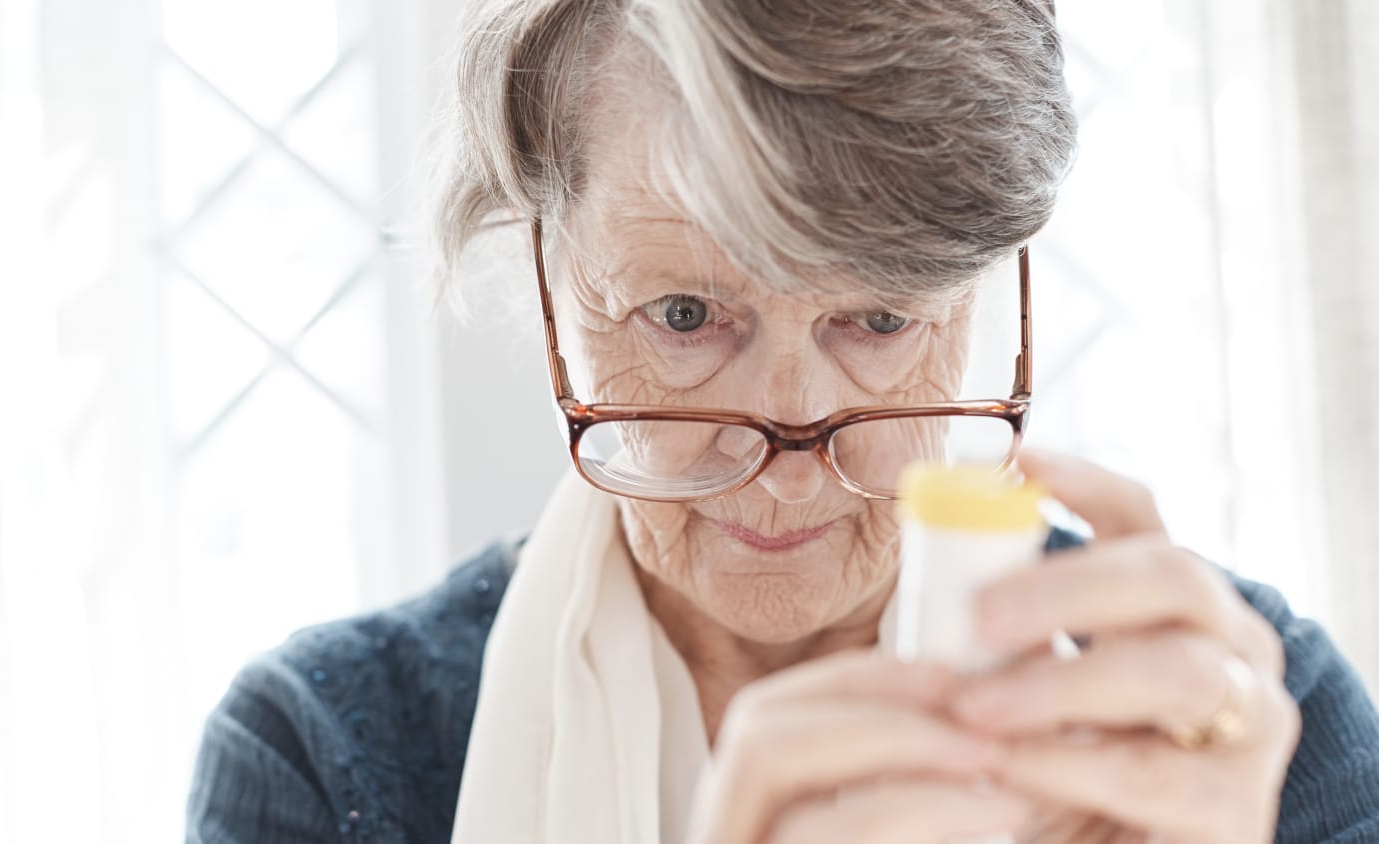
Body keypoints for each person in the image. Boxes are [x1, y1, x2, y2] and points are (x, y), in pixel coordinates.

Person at [186, 1, 1379, 841]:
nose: (794, 451)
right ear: (551, 277)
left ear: (984, 296)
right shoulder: (320, 763)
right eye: (688, 312)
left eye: (877, 317)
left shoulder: (1246, 727)